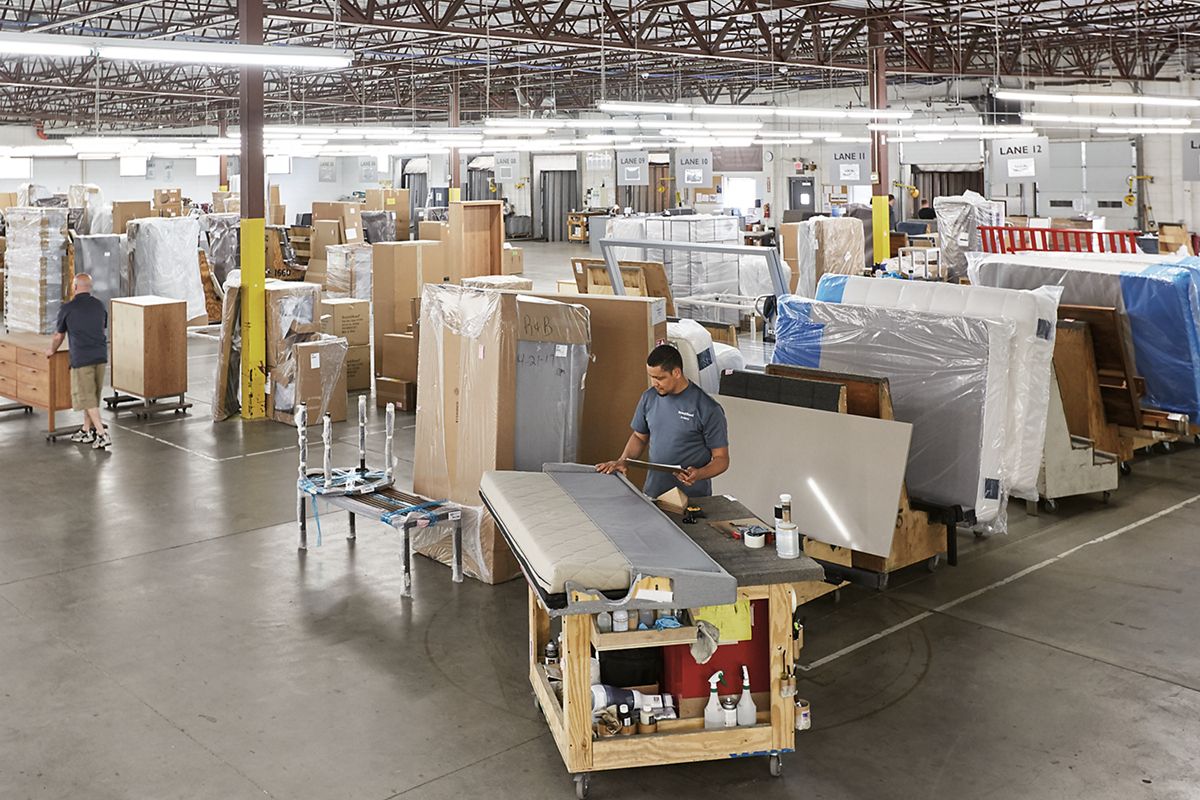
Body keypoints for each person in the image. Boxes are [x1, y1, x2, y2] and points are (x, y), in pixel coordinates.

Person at [596, 344, 729, 498]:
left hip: (693, 498)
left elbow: (721, 459)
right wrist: (623, 461)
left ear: (676, 373)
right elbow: (639, 437)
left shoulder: (707, 408)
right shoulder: (649, 397)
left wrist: (699, 473)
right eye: (651, 377)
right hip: (654, 494)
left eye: (660, 378)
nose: (654, 383)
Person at [46, 273, 111, 450]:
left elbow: (58, 336)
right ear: (89, 287)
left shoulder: (67, 308)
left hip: (82, 358)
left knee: (86, 398)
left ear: (74, 287)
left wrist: (52, 350)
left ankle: (102, 434)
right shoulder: (99, 305)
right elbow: (101, 327)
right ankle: (86, 430)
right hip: (101, 356)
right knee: (92, 397)